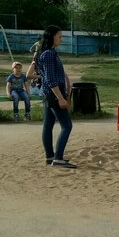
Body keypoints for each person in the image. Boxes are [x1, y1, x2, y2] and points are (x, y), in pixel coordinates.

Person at [37, 25, 75, 169]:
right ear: (52, 37)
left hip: (50, 94)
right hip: (54, 94)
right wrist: (60, 97)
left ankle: (50, 156)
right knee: (67, 126)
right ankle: (57, 158)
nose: (61, 39)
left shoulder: (49, 52)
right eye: (59, 36)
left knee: (48, 125)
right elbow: (50, 79)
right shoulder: (48, 54)